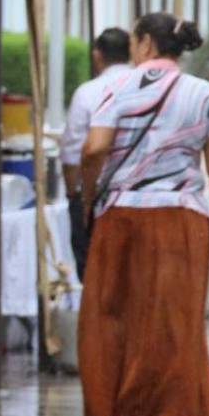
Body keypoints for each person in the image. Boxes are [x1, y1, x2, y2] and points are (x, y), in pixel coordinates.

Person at [78, 14, 209, 416]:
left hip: (121, 217)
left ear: (146, 43)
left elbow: (93, 150)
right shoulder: (203, 93)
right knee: (174, 324)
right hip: (181, 218)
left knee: (115, 316)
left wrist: (90, 199)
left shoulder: (117, 88)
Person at [60, 27, 131, 279]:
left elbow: (75, 150)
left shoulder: (89, 92)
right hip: (137, 195)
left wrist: (74, 193)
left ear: (97, 55)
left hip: (97, 196)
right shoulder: (147, 89)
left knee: (93, 272)